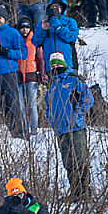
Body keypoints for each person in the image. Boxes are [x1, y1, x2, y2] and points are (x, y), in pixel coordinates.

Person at [44, 51, 93, 198]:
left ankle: (85, 191)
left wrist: (78, 114)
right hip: (60, 130)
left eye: (58, 64)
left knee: (80, 159)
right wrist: (51, 120)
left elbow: (88, 98)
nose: (56, 67)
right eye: (53, 66)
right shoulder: (52, 86)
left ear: (64, 64)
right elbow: (47, 106)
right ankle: (75, 192)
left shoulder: (74, 79)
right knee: (68, 162)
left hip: (76, 127)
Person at [0, 6, 28, 137]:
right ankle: (11, 133)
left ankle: (20, 134)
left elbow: (23, 53)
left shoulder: (13, 33)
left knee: (13, 104)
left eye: (0, 18)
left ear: (5, 19)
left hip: (9, 73)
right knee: (0, 106)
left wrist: (6, 52)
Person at [15, 15, 46, 139]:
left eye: (27, 27)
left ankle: (33, 130)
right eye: (22, 27)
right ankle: (23, 129)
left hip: (31, 75)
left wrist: (42, 75)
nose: (25, 30)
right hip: (18, 76)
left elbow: (40, 59)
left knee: (32, 105)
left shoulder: (34, 40)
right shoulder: (15, 40)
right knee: (21, 106)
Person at [31, 0, 79, 70]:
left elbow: (72, 38)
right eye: (52, 7)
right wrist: (43, 30)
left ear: (62, 8)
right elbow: (35, 42)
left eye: (56, 6)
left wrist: (59, 27)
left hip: (67, 62)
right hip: (50, 64)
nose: (54, 8)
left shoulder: (70, 22)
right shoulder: (42, 23)